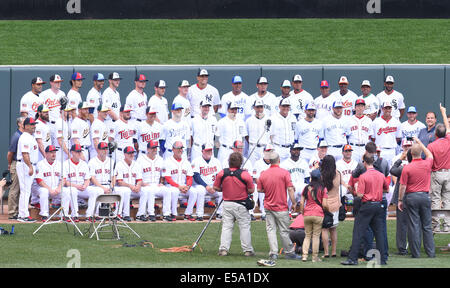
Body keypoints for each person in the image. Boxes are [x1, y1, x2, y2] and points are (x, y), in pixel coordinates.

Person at [341, 153, 389, 266]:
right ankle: (382, 259)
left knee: (358, 232)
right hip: (378, 205)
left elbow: (360, 195)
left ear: (364, 163)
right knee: (379, 233)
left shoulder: (364, 176)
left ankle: (352, 258)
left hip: (367, 205)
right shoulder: (381, 175)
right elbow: (386, 190)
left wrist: (358, 190)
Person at [257, 151, 300, 260]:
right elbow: (290, 189)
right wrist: (294, 202)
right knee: (284, 230)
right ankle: (289, 252)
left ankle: (273, 253)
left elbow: (259, 189)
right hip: (281, 206)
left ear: (269, 161)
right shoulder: (284, 173)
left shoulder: (263, 173)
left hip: (268, 206)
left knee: (271, 230)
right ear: (279, 160)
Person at [398, 137, 435, 258]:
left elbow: (402, 186)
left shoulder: (407, 167)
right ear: (420, 153)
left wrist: (399, 200)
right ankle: (431, 253)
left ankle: (416, 253)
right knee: (427, 226)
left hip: (412, 197)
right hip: (424, 196)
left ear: (410, 154)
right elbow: (429, 154)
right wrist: (420, 143)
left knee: (414, 226)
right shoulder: (427, 163)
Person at [213, 152, 255, 257]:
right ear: (240, 162)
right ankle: (247, 250)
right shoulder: (245, 174)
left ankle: (223, 249)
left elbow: (216, 188)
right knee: (244, 227)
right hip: (241, 204)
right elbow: (251, 190)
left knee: (226, 227)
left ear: (229, 161)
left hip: (227, 204)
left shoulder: (222, 173)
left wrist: (225, 189)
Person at [427, 104, 450, 233]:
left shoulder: (431, 145)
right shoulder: (448, 140)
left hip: (436, 173)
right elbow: (447, 128)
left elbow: (429, 163)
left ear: (436, 133)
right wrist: (443, 112)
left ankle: (435, 225)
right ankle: (446, 225)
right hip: (448, 173)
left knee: (435, 199)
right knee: (447, 199)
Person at [137, 140, 172, 222]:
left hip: (156, 185)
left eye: (156, 148)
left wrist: (162, 182)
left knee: (167, 191)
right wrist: (142, 183)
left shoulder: (160, 159)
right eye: (152, 148)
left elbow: (163, 173)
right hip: (144, 185)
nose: (154, 149)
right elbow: (137, 176)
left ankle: (166, 214)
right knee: (150, 191)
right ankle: (151, 214)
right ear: (148, 149)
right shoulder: (140, 160)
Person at [299, 169, 328, 262]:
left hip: (307, 213)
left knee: (307, 235)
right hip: (318, 214)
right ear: (320, 177)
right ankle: (314, 257)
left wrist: (302, 212)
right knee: (315, 236)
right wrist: (326, 211)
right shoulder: (323, 188)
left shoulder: (306, 188)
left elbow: (301, 202)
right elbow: (324, 204)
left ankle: (304, 256)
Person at [163, 141, 195, 221]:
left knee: (194, 191)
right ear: (173, 149)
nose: (180, 150)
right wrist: (178, 186)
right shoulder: (168, 161)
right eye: (178, 148)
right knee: (174, 191)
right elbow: (167, 178)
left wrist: (187, 186)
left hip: (183, 185)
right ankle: (173, 214)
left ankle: (188, 213)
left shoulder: (186, 162)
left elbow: (189, 177)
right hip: (171, 185)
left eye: (181, 148)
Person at [390, 142, 412, 256]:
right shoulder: (422, 165)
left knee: (403, 224)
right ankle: (413, 248)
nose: (407, 148)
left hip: (404, 197)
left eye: (409, 146)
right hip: (415, 196)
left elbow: (393, 170)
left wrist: (401, 158)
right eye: (405, 146)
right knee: (413, 223)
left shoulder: (404, 168)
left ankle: (403, 248)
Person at [191, 143, 223, 221]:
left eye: (210, 150)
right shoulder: (196, 161)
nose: (209, 152)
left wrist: (216, 186)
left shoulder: (216, 161)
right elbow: (196, 176)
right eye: (207, 150)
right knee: (200, 191)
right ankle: (199, 214)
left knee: (222, 192)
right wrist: (206, 186)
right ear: (202, 151)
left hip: (213, 185)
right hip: (200, 185)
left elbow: (220, 176)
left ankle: (219, 213)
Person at [61, 144, 93, 222]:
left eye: (80, 151)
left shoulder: (84, 164)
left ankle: (90, 215)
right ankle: (74, 215)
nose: (79, 153)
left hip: (82, 187)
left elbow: (87, 179)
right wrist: (76, 186)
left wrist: (85, 185)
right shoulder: (65, 164)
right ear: (72, 152)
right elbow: (65, 182)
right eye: (77, 151)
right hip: (71, 187)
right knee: (73, 190)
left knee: (96, 191)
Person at [16, 117, 39, 222]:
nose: (34, 126)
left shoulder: (30, 136)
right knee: (25, 191)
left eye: (34, 124)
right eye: (31, 124)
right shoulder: (25, 137)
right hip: (25, 165)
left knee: (26, 191)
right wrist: (30, 166)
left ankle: (23, 214)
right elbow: (25, 154)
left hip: (29, 164)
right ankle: (23, 215)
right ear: (25, 126)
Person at [114, 146, 145, 222]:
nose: (131, 155)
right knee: (126, 190)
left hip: (133, 189)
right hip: (122, 188)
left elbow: (139, 179)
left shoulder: (136, 164)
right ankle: (125, 214)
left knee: (145, 191)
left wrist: (138, 186)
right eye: (129, 153)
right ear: (124, 154)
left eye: (132, 153)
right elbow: (120, 182)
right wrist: (131, 186)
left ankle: (140, 215)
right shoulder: (119, 164)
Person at [320, 155, 342, 258]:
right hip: (335, 204)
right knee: (333, 229)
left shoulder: (321, 176)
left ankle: (326, 252)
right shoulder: (338, 174)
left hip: (324, 205)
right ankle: (333, 252)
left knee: (324, 229)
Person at [32, 145, 62, 221]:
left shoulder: (59, 164)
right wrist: (50, 190)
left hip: (55, 188)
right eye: (51, 152)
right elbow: (39, 180)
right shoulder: (40, 164)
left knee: (66, 191)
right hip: (41, 188)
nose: (54, 154)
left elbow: (63, 178)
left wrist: (59, 188)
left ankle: (65, 214)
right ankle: (44, 214)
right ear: (46, 153)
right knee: (44, 191)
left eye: (55, 152)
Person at [86, 142, 114, 222]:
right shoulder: (92, 161)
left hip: (108, 185)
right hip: (96, 186)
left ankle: (118, 214)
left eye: (106, 149)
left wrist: (112, 186)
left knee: (120, 191)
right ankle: (90, 215)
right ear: (98, 150)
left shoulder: (111, 161)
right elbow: (92, 178)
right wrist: (103, 188)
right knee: (99, 191)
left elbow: (113, 176)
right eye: (103, 149)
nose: (105, 151)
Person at [371, 100, 402, 167]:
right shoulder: (376, 122)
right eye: (386, 108)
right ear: (382, 109)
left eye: (389, 108)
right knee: (380, 171)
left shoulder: (396, 122)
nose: (387, 110)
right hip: (380, 151)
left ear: (391, 109)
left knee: (392, 172)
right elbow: (373, 138)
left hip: (392, 150)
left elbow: (398, 138)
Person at [215, 101, 247, 166]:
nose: (234, 111)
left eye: (235, 109)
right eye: (232, 109)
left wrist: (240, 149)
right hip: (225, 150)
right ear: (228, 109)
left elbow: (243, 137)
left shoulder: (241, 122)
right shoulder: (222, 121)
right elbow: (216, 137)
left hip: (237, 150)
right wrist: (219, 148)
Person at [280, 143, 310, 210]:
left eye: (298, 150)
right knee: (288, 194)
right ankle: (287, 212)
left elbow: (307, 178)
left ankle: (305, 213)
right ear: (290, 151)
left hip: (302, 185)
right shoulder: (284, 164)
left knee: (307, 191)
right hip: (290, 186)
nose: (296, 151)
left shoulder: (304, 163)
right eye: (295, 150)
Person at [6, 116, 25, 220]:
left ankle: (17, 211)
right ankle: (12, 213)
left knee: (20, 189)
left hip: (21, 164)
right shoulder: (17, 136)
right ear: (19, 124)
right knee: (14, 188)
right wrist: (10, 164)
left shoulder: (24, 135)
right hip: (15, 162)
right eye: (23, 122)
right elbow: (10, 153)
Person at [269, 98, 297, 162]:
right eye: (283, 106)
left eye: (287, 106)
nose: (285, 108)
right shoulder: (273, 118)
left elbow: (294, 132)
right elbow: (270, 135)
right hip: (278, 148)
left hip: (290, 149)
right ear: (279, 106)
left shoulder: (293, 117)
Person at [346, 98, 373, 163]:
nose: (360, 108)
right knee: (353, 169)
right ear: (354, 108)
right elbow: (346, 136)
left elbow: (370, 136)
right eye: (358, 106)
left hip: (364, 148)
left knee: (364, 169)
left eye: (362, 106)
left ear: (364, 108)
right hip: (353, 148)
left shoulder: (368, 120)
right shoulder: (349, 120)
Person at [245, 99, 270, 165]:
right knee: (252, 169)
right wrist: (252, 143)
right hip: (253, 147)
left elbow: (271, 135)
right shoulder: (249, 120)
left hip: (264, 148)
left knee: (264, 169)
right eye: (257, 107)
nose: (259, 109)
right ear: (254, 108)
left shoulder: (268, 119)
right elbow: (246, 135)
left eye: (261, 107)